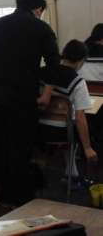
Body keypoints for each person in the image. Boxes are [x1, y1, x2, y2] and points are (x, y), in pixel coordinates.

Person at [0, 0, 60, 205]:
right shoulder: (41, 28)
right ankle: (20, 197)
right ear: (38, 9)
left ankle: (1, 193)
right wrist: (47, 93)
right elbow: (53, 62)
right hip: (22, 97)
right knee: (21, 146)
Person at [39, 40, 98, 178]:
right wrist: (88, 148)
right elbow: (80, 118)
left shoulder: (42, 72)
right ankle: (73, 169)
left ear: (63, 55)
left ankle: (69, 166)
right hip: (62, 133)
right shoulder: (77, 82)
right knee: (85, 126)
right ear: (81, 61)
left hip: (37, 127)